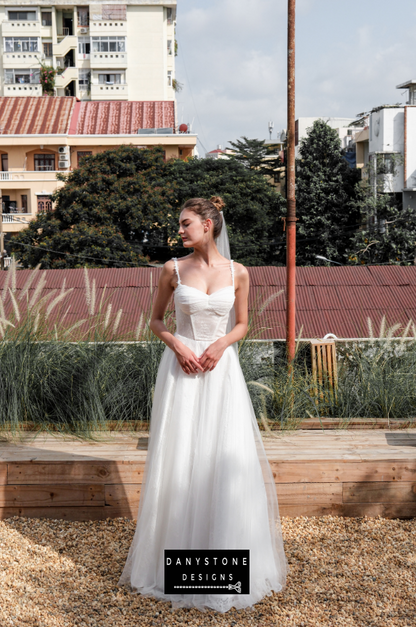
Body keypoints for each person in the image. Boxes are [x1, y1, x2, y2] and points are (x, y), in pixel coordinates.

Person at [118, 196, 289, 613]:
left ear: (209, 225)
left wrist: (220, 345)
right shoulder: (172, 269)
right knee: (180, 457)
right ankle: (175, 562)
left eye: (186, 223)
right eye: (180, 224)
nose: (180, 230)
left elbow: (243, 323)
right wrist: (178, 345)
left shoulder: (240, 272)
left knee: (223, 455)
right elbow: (156, 321)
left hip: (220, 370)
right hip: (181, 370)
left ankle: (223, 562)